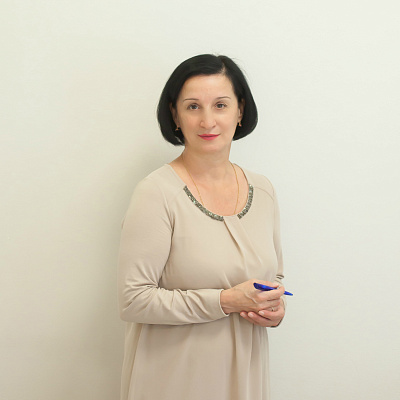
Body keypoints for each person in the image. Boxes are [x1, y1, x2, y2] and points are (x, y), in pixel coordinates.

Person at [118, 54, 287, 400]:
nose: (208, 121)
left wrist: (275, 306)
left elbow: (275, 278)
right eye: (193, 107)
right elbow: (134, 300)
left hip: (245, 376)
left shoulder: (263, 190)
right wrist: (225, 301)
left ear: (240, 111)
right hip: (174, 379)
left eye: (220, 105)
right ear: (175, 115)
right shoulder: (156, 193)